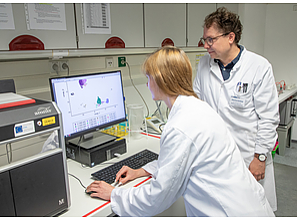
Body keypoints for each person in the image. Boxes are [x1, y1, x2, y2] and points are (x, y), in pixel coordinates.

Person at [87, 46, 274, 217]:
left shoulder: (181, 126)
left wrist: (115, 194)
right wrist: (142, 171)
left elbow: (158, 197)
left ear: (161, 79)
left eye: (148, 78)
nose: (147, 84)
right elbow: (180, 162)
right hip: (245, 205)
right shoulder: (198, 108)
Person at [193, 7, 279, 211]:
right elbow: (196, 104)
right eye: (204, 39)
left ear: (230, 37)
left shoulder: (259, 67)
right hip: (215, 158)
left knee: (252, 210)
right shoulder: (205, 64)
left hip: (248, 157)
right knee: (222, 210)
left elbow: (268, 118)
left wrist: (260, 158)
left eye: (211, 39)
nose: (206, 45)